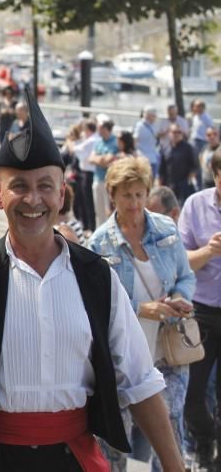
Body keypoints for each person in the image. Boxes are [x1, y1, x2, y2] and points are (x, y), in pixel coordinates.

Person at [0, 88, 184, 472]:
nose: (33, 200)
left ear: (62, 193)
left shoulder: (97, 276)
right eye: (20, 187)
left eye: (45, 186)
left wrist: (176, 467)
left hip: (70, 459)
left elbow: (140, 382)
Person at [89, 157, 195, 472]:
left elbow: (186, 277)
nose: (134, 203)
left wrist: (180, 297)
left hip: (168, 347)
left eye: (139, 194)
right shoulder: (100, 242)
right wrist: (142, 309)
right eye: (127, 195)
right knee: (116, 439)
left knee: (170, 432)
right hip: (124, 356)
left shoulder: (166, 228)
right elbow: (98, 302)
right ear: (112, 195)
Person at [179, 147, 221, 470]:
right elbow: (181, 264)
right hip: (203, 311)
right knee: (191, 398)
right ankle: (207, 438)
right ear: (215, 174)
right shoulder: (196, 204)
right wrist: (208, 250)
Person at [159, 123, 198, 207]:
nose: (176, 134)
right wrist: (160, 184)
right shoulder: (165, 147)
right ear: (169, 133)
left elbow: (194, 166)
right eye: (174, 132)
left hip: (183, 185)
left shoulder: (188, 147)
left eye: (179, 132)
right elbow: (162, 168)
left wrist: (189, 180)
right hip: (169, 185)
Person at [89, 118, 119, 226]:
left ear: (106, 129)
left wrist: (99, 159)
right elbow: (91, 159)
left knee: (109, 211)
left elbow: (108, 160)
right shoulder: (98, 142)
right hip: (97, 179)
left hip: (108, 181)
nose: (98, 130)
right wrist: (101, 160)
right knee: (99, 211)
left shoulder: (115, 142)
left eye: (100, 128)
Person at [75, 119, 99, 232]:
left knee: (88, 202)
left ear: (87, 130)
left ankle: (91, 227)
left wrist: (72, 142)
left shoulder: (91, 141)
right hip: (89, 173)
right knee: (88, 201)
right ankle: (90, 226)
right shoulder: (94, 139)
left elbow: (76, 150)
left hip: (88, 173)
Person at [134, 107, 161, 178]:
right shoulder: (140, 126)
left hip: (153, 157)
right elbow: (135, 140)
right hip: (143, 158)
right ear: (148, 115)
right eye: (154, 116)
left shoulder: (153, 126)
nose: (155, 117)